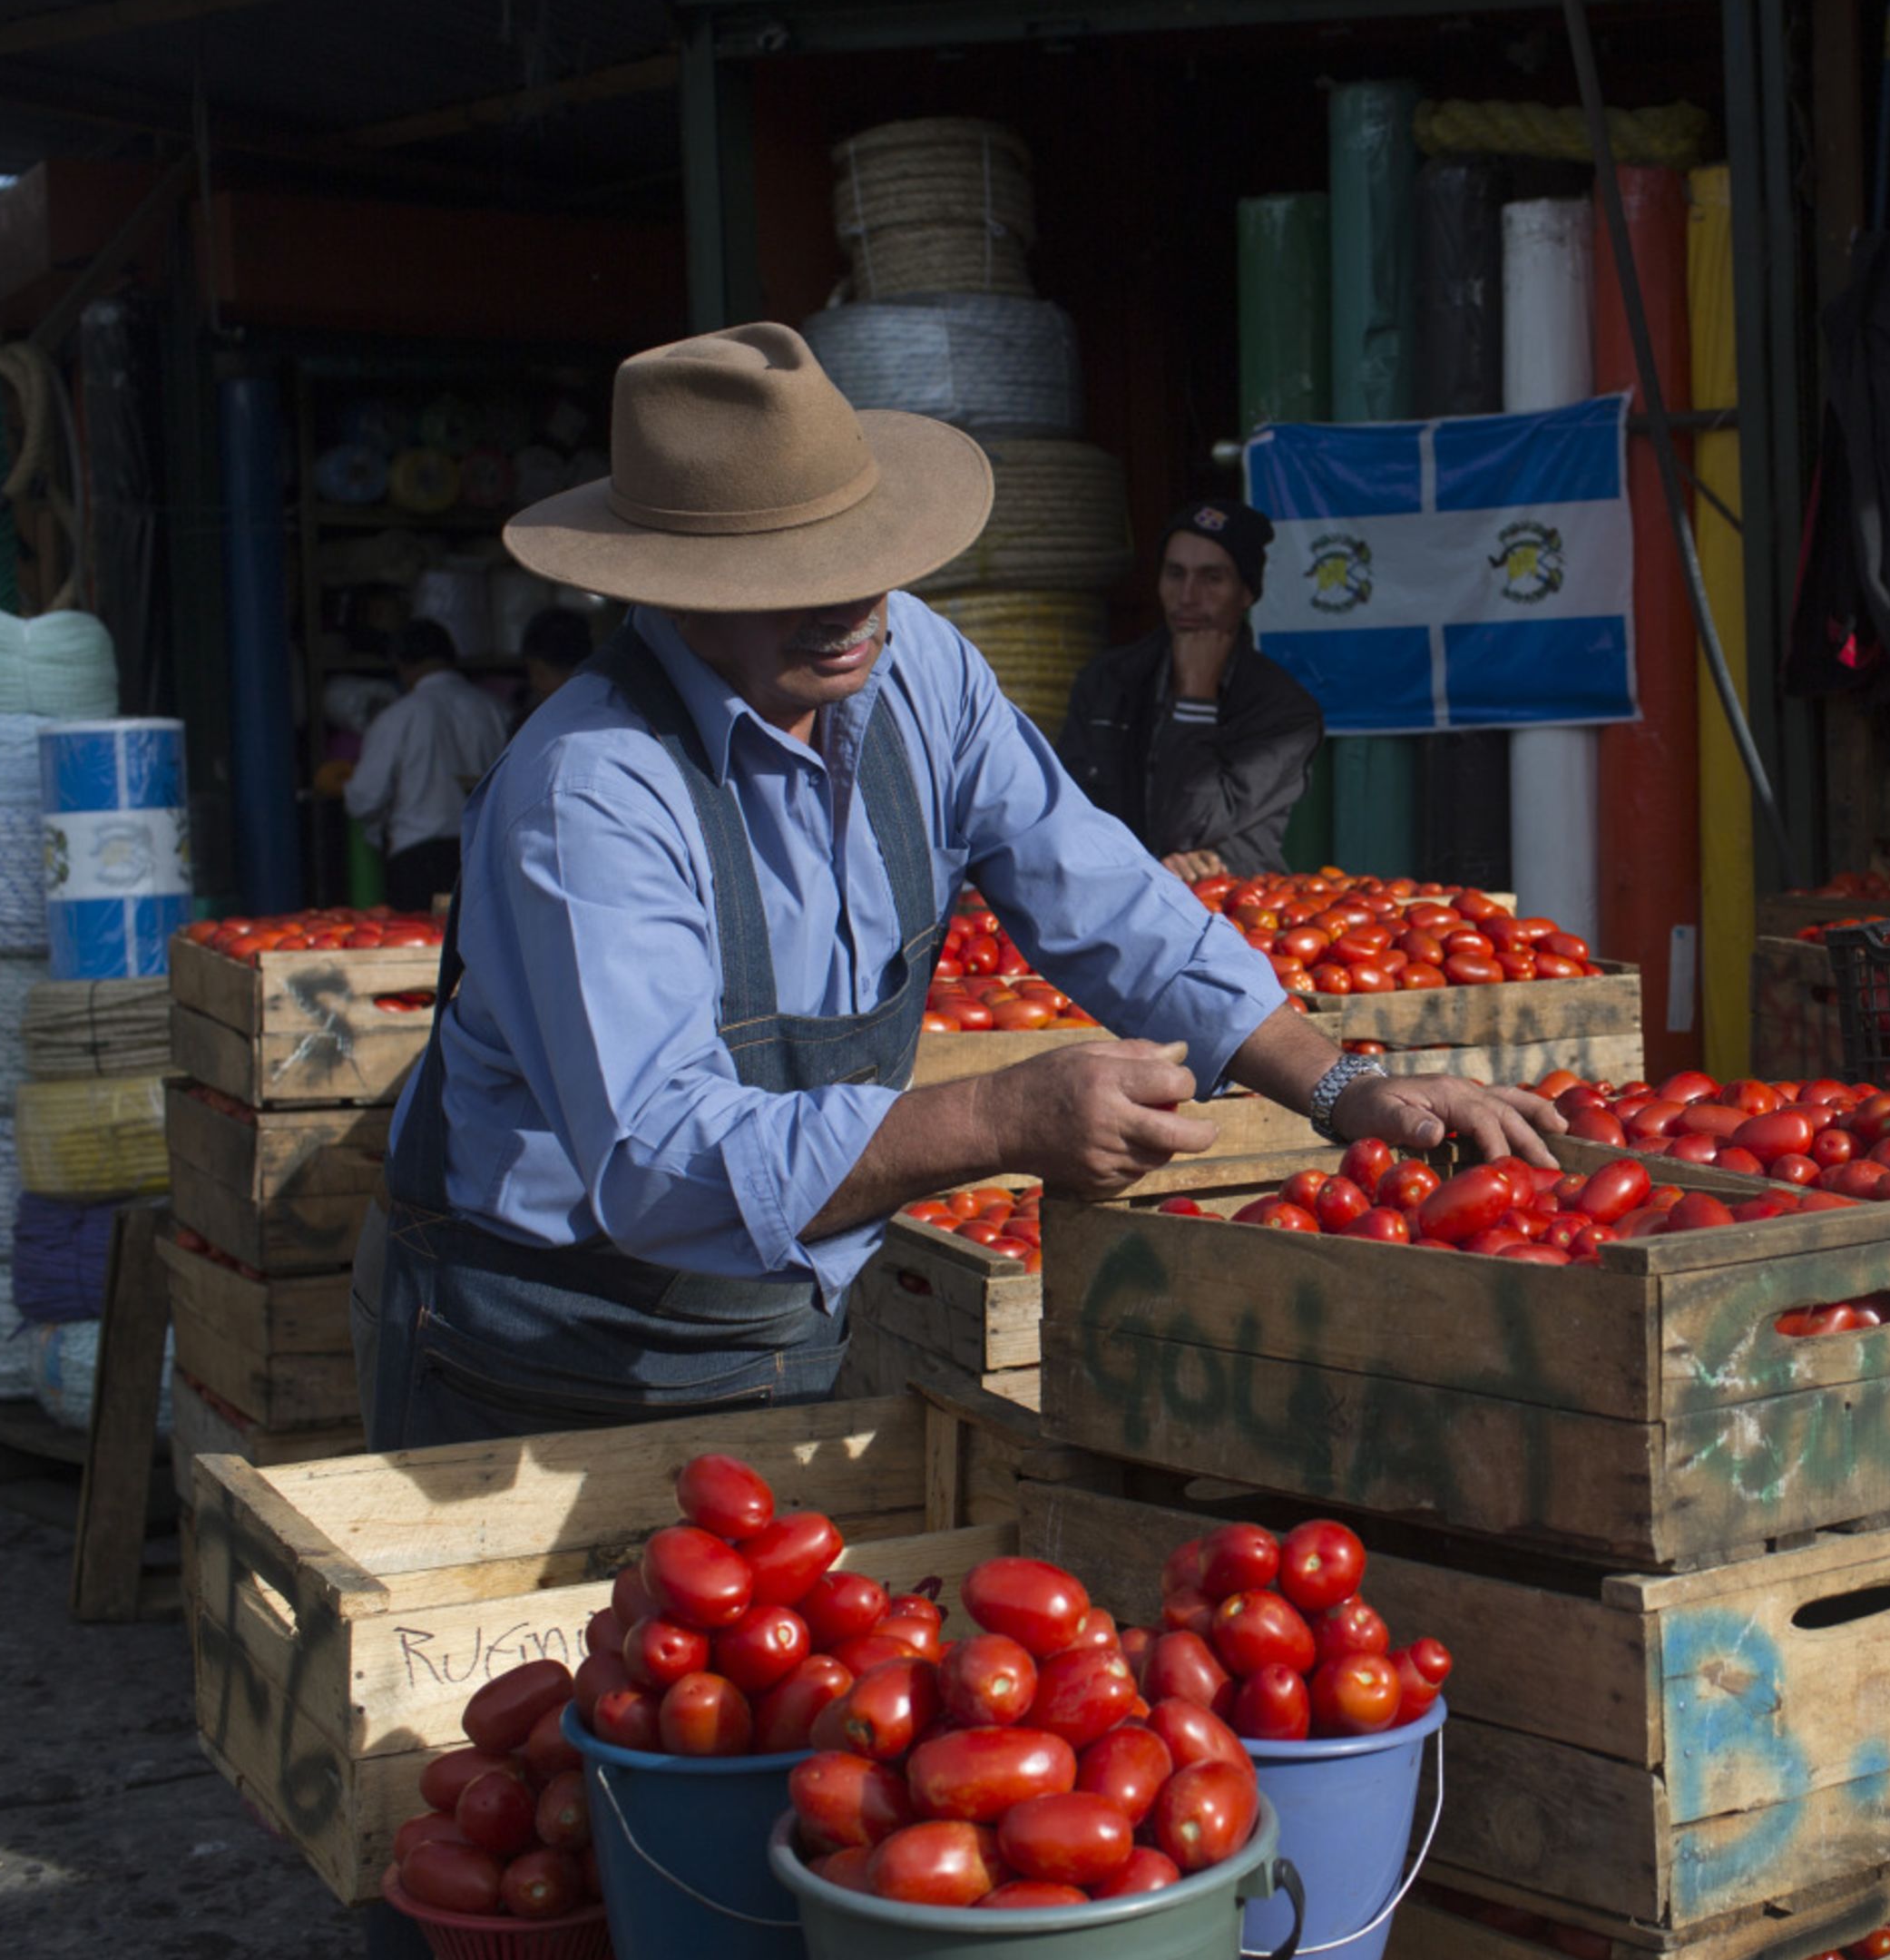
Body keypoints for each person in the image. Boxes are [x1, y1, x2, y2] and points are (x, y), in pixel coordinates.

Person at [355, 322, 1559, 1451]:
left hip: (786, 1311)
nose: (847, 604)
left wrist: (1339, 1083)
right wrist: (994, 1119)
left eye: (865, 559)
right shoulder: (592, 790)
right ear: (674, 587)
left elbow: (1102, 896)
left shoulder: (913, 665)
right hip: (539, 1341)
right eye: (788, 575)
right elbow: (660, 1164)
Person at [1059, 498, 1323, 884]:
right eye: (1175, 574)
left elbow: (1183, 829)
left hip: (1234, 910)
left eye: (1211, 578)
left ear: (1247, 592)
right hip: (1112, 900)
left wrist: (1195, 701)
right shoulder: (1106, 681)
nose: (1187, 595)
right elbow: (1067, 815)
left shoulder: (1284, 712)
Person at [340, 618, 510, 913]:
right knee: (478, 954)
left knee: (418, 948)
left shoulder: (399, 717)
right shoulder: (494, 710)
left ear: (401, 665)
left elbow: (363, 799)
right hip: (483, 856)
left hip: (418, 858)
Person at [516, 603, 597, 716]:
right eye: (531, 673)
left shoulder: (598, 716)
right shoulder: (529, 719)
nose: (534, 682)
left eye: (541, 674)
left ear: (573, 672)